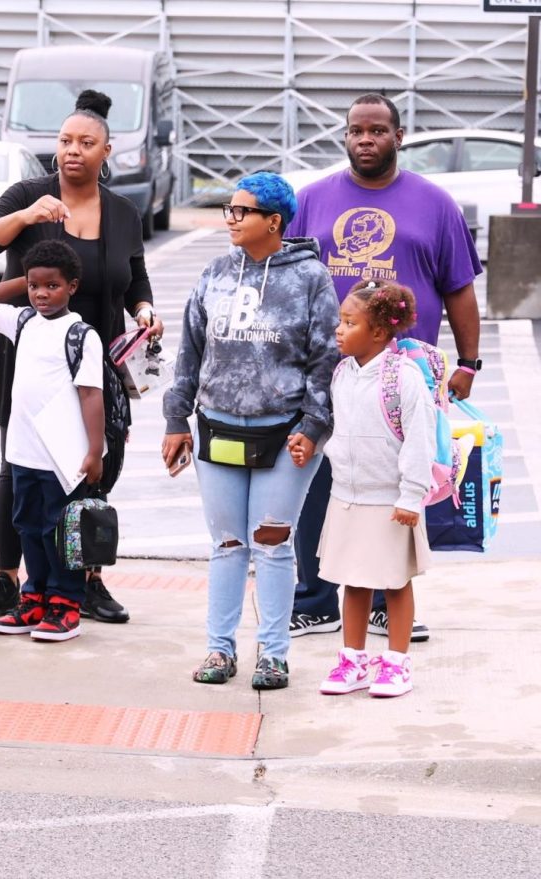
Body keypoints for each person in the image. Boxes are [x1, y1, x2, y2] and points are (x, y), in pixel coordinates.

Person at [286, 93, 482, 643]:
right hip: (327, 375)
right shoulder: (313, 201)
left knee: (396, 487)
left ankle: (384, 601)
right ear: (345, 137)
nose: (365, 140)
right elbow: (286, 280)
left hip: (403, 379)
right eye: (355, 131)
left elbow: (460, 289)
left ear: (398, 137)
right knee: (322, 485)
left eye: (376, 131)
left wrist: (468, 363)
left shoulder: (435, 204)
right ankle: (317, 599)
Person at [0, 88, 162, 625]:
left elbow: (134, 275)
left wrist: (143, 309)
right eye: (64, 141)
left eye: (86, 142)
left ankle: (86, 582)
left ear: (107, 151)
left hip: (92, 360)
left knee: (88, 473)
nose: (72, 150)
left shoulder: (123, 212)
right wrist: (28, 216)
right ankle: (11, 579)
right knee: (18, 468)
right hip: (27, 355)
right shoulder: (29, 193)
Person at [162, 171, 339, 691]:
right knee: (227, 543)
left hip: (285, 434)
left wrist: (314, 424)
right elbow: (189, 351)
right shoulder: (215, 273)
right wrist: (177, 418)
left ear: (274, 221)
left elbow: (326, 359)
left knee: (273, 543)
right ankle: (220, 650)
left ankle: (274, 656)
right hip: (217, 429)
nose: (232, 220)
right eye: (230, 211)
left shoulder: (311, 279)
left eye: (243, 212)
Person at [0, 239, 104, 642]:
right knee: (28, 526)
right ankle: (35, 599)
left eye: (52, 286)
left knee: (60, 531)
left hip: (62, 457)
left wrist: (94, 451)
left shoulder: (81, 335)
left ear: (73, 287)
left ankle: (66, 604)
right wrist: (27, 276)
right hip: (23, 452)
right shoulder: (24, 321)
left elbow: (91, 395)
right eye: (35, 286)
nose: (42, 294)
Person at [311, 280, 435, 699]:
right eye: (340, 322)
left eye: (349, 323)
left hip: (391, 499)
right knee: (354, 581)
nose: (339, 331)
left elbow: (420, 439)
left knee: (395, 582)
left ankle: (397, 663)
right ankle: (354, 660)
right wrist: (316, 446)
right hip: (347, 496)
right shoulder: (342, 372)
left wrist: (411, 496)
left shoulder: (403, 377)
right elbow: (341, 427)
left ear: (379, 333)